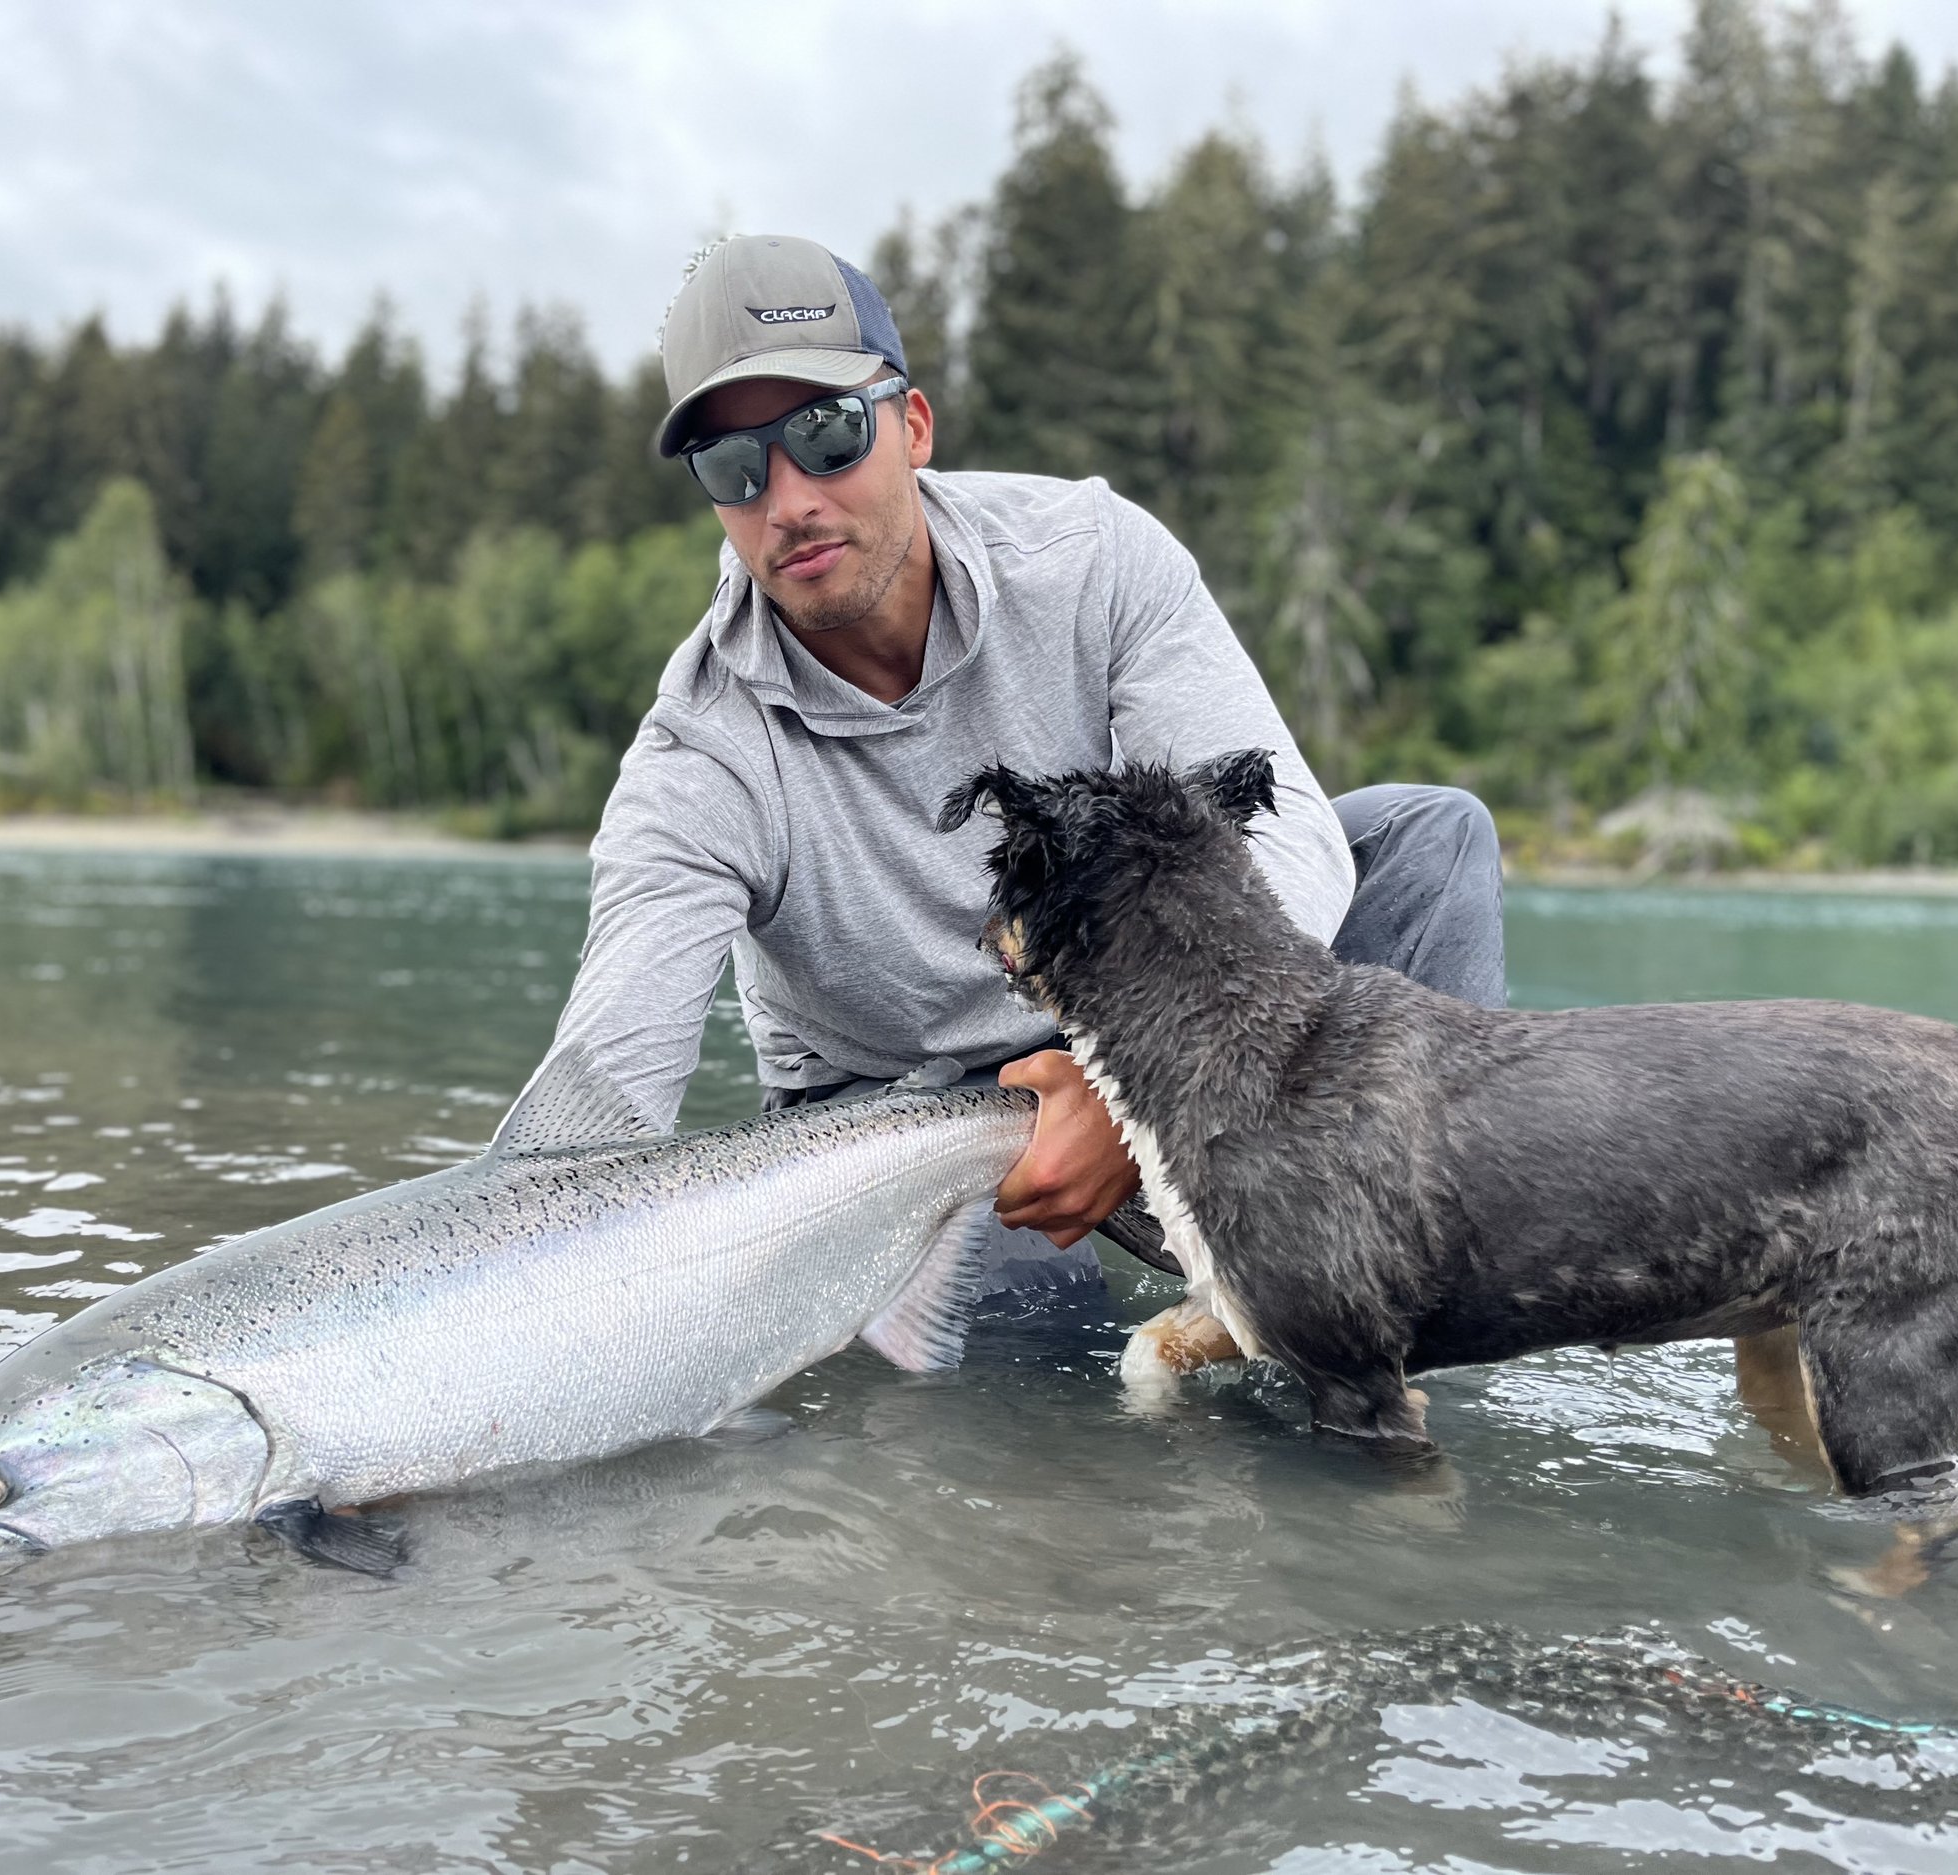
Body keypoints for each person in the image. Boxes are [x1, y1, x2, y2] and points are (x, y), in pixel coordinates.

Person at [537, 232, 1505, 1299]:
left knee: (1424, 839)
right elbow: (603, 1097)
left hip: (1135, 1004)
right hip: (890, 1112)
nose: (788, 500)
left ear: (910, 426)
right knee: (1026, 1417)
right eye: (732, 465)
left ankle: (1393, 1277)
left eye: (824, 433)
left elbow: (1280, 828)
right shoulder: (697, 758)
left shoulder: (1092, 557)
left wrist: (1129, 1076)